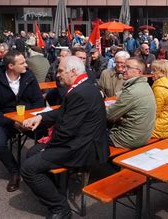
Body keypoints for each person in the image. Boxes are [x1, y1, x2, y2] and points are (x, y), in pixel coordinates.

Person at [21, 56, 109, 218]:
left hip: (82, 148)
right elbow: (63, 111)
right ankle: (57, 192)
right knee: (31, 153)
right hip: (79, 142)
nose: (57, 74)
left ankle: (60, 208)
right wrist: (41, 117)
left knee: (28, 168)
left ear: (73, 72)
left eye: (61, 71)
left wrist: (47, 147)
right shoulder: (84, 86)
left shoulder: (80, 93)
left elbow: (65, 132)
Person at [0, 50, 45, 192]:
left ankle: (40, 169)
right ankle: (14, 171)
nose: (26, 65)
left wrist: (29, 119)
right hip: (6, 122)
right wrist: (12, 122)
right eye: (22, 62)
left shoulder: (29, 77)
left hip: (28, 120)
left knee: (47, 136)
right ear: (11, 66)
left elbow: (39, 101)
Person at [106, 58, 156, 148]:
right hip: (142, 136)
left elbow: (109, 115)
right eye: (124, 67)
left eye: (128, 67)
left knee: (91, 135)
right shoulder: (145, 85)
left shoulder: (131, 91)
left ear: (139, 72)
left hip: (128, 139)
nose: (123, 70)